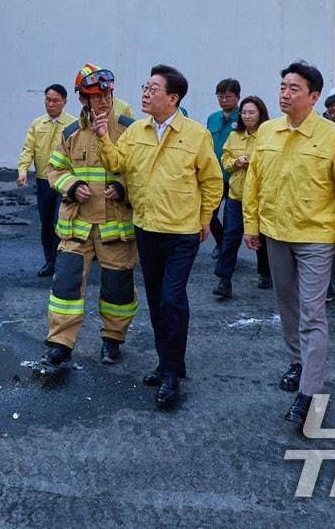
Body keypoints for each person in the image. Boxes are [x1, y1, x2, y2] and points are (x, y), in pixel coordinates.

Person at [243, 60, 335, 425]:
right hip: (276, 234)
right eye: (282, 86)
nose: (285, 93)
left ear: (313, 96)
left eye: (294, 88)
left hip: (316, 238)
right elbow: (254, 182)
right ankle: (298, 362)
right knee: (288, 307)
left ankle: (308, 392)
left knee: (313, 314)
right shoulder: (267, 132)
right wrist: (252, 225)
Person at [94, 64, 222, 409]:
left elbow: (212, 181)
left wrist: (205, 217)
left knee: (171, 299)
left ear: (173, 97)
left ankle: (170, 375)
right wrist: (104, 136)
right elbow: (117, 163)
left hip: (181, 231)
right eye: (145, 87)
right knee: (155, 301)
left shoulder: (195, 135)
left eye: (153, 88)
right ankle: (169, 363)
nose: (146, 93)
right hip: (146, 228)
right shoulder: (136, 130)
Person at [39, 64, 139, 368]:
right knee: (65, 285)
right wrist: (72, 186)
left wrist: (122, 188)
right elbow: (54, 169)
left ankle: (112, 340)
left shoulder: (129, 129)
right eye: (96, 96)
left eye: (107, 94)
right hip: (77, 224)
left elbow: (143, 172)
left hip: (115, 225)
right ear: (84, 99)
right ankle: (60, 344)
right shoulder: (70, 133)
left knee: (117, 287)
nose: (104, 101)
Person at [16, 84, 76, 277]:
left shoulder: (73, 125)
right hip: (44, 182)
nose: (50, 104)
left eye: (55, 100)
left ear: (65, 102)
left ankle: (61, 262)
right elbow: (28, 150)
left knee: (61, 222)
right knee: (46, 223)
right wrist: (23, 171)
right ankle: (49, 261)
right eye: (47, 100)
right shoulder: (37, 124)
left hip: (64, 181)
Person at [215, 95, 271, 295]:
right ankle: (224, 279)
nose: (247, 116)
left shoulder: (268, 135)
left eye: (252, 112)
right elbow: (225, 158)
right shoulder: (235, 135)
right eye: (244, 112)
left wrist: (254, 162)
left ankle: (265, 272)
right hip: (236, 195)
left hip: (261, 197)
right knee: (231, 237)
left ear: (260, 114)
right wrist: (236, 162)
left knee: (261, 237)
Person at [206, 78, 242, 277]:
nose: (223, 100)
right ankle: (220, 243)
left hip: (236, 177)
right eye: (220, 96)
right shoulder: (213, 118)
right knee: (209, 214)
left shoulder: (243, 118)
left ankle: (229, 257)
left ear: (237, 97)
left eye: (228, 96)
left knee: (231, 223)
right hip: (214, 176)